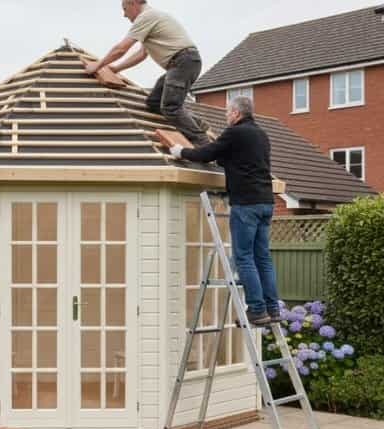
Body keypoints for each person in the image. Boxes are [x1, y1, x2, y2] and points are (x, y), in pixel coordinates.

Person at [170, 96, 279, 326]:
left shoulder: (236, 133)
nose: (227, 117)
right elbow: (232, 159)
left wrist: (181, 152)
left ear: (237, 114)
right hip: (265, 201)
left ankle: (257, 310)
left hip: (246, 203)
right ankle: (272, 309)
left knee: (244, 257)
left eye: (228, 113)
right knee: (263, 258)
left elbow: (207, 153)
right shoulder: (261, 134)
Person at [85, 0, 211, 147]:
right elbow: (141, 54)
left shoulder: (146, 16)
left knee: (170, 107)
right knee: (154, 102)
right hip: (182, 63)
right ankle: (197, 123)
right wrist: (116, 69)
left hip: (182, 63)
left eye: (125, 9)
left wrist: (99, 65)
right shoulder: (152, 18)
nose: (124, 15)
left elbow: (121, 49)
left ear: (133, 3)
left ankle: (203, 145)